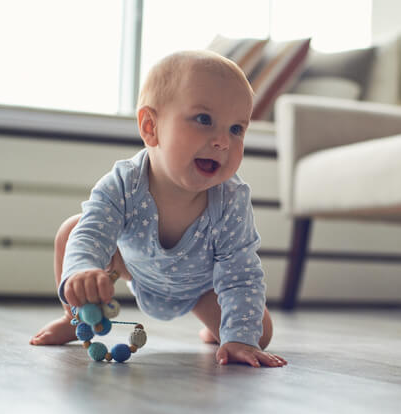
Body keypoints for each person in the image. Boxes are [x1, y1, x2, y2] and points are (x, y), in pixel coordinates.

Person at [30, 50, 286, 368]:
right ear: (150, 127)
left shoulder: (231, 200)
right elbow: (93, 231)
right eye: (204, 120)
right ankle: (76, 317)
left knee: (258, 333)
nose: (223, 141)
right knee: (72, 229)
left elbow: (241, 274)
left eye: (237, 129)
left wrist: (239, 337)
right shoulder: (123, 184)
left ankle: (216, 330)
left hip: (202, 287)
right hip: (130, 265)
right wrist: (83, 271)